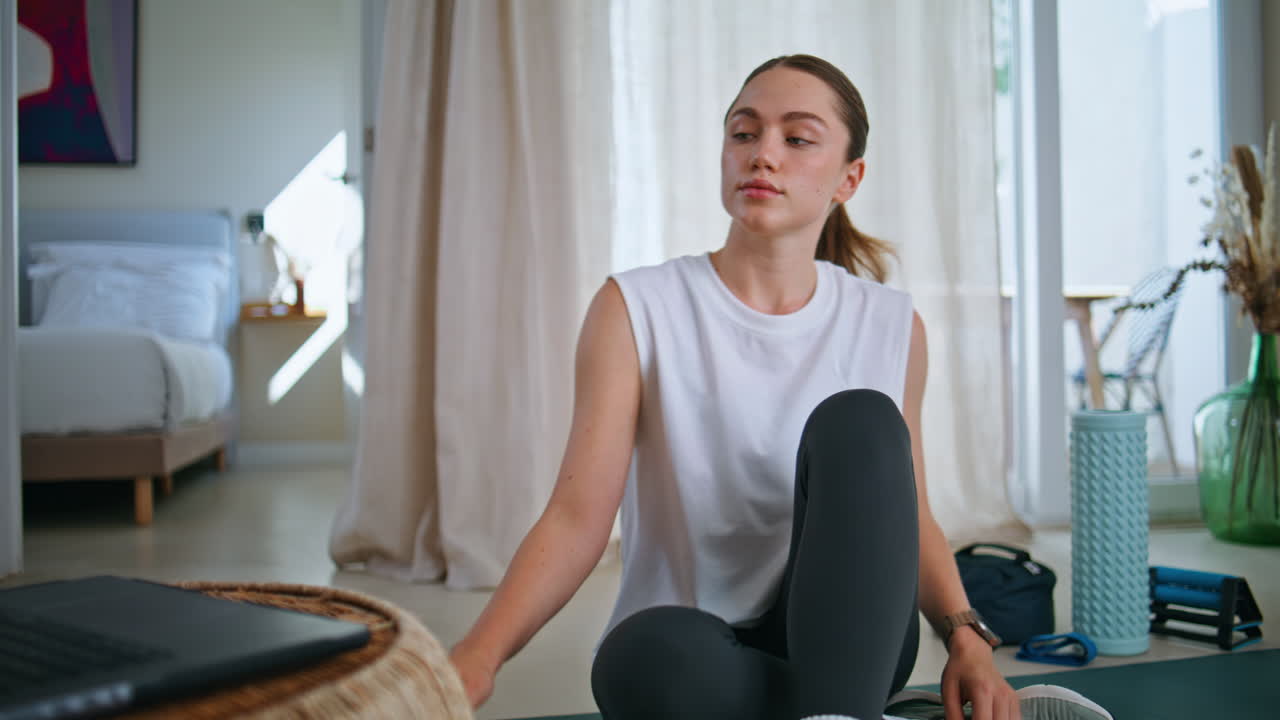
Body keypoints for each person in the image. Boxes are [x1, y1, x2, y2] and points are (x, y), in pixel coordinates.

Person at [449, 54, 1028, 720]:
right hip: (695, 646)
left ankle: (836, 705)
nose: (763, 155)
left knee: (863, 422)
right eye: (744, 133)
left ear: (849, 178)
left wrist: (966, 637)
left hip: (851, 636)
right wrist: (475, 660)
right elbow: (577, 519)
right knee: (640, 659)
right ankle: (839, 713)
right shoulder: (635, 307)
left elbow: (909, 513)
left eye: (797, 138)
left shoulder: (891, 323)